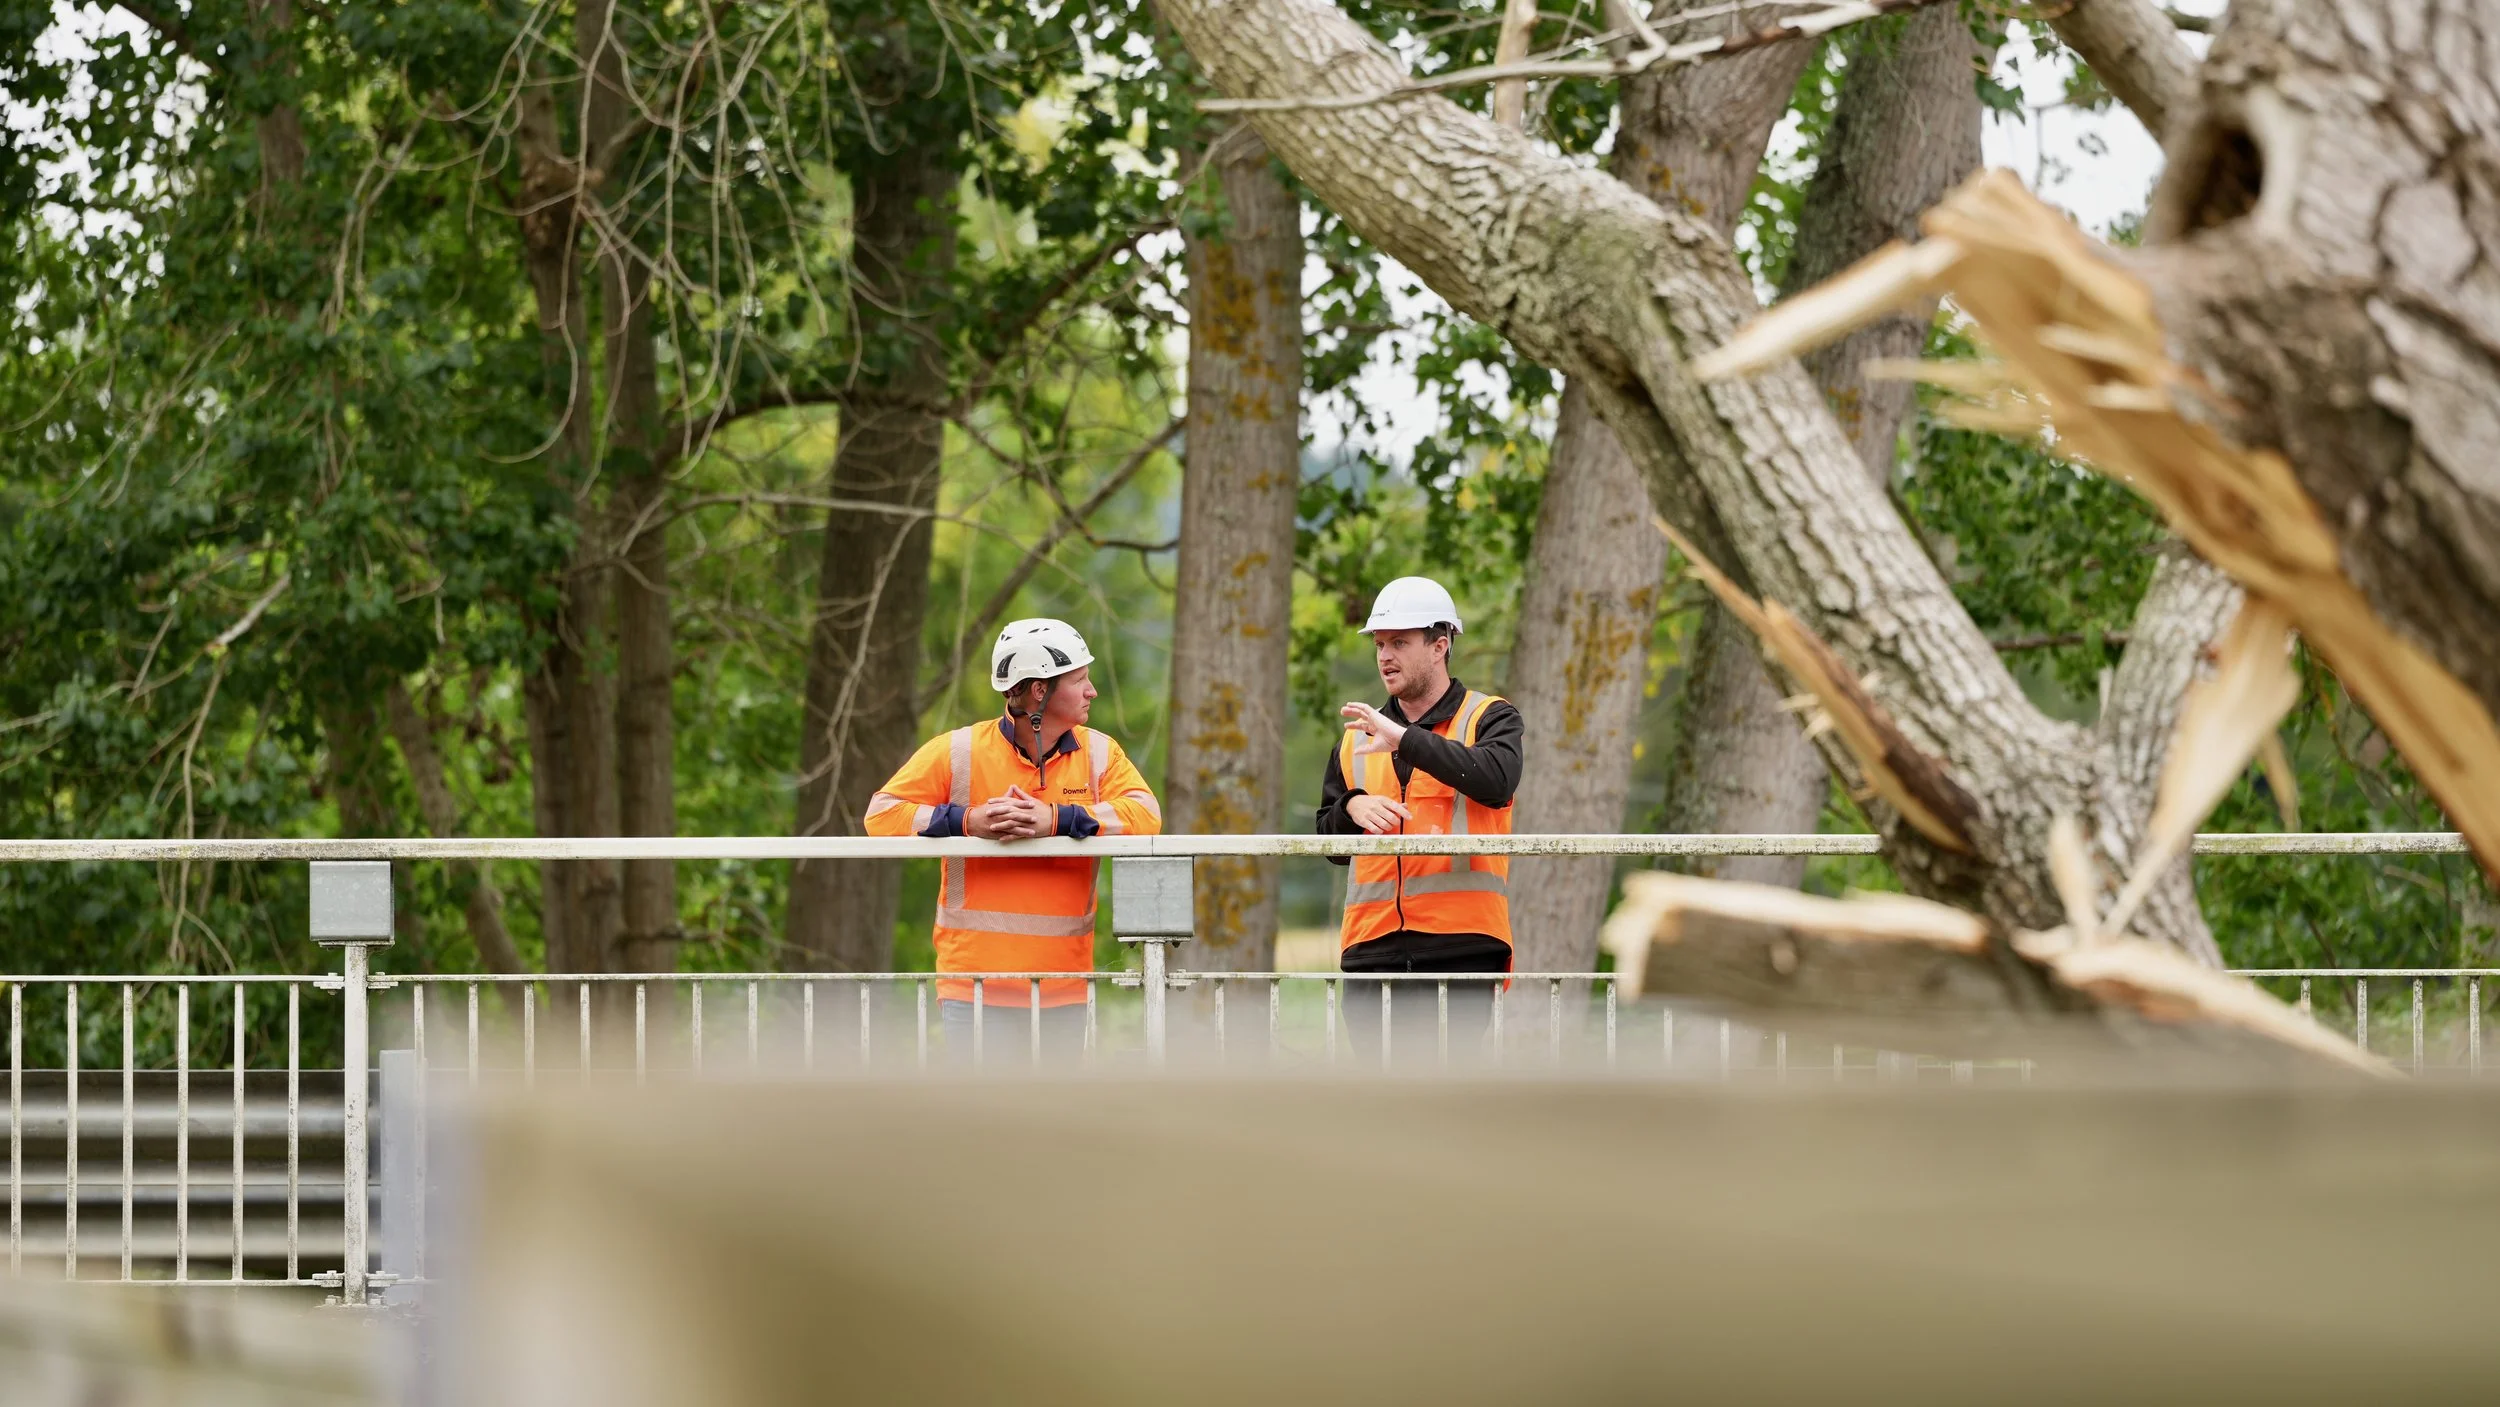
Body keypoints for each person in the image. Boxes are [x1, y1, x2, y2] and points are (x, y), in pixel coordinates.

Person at [864, 618, 1162, 1062]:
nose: (1091, 691)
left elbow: (1147, 814)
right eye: (1080, 679)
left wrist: (1057, 819)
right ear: (1040, 690)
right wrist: (970, 821)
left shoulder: (1101, 753)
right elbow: (881, 814)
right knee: (984, 1125)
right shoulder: (958, 750)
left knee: (1052, 1124)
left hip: (1063, 986)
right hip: (974, 986)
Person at [1315, 577, 1522, 1066]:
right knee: (1383, 1110)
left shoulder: (1491, 717)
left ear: (1440, 646)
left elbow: (1495, 780)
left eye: (1400, 643)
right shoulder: (1354, 737)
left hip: (1461, 946)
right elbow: (1328, 842)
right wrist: (1350, 809)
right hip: (1371, 949)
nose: (1385, 656)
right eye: (1380, 644)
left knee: (1442, 1102)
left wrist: (1403, 738)